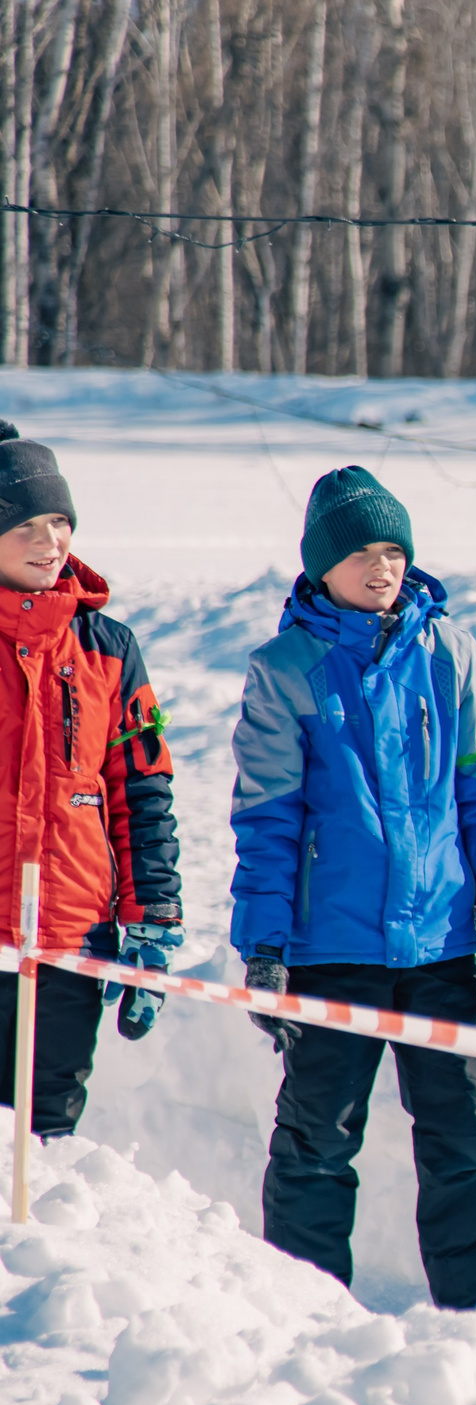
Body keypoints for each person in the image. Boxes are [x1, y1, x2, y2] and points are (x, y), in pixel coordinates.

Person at [230, 466, 476, 1310]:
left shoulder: (453, 654)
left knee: (464, 1142)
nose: (383, 567)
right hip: (330, 952)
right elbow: (266, 819)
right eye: (362, 552)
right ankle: (302, 1314)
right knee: (315, 1144)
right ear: (322, 566)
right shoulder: (286, 668)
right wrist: (263, 947)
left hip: (441, 946)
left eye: (395, 549)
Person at [0, 423, 183, 1136]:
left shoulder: (109, 648)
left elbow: (144, 795)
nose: (52, 542)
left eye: (61, 523)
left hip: (71, 936)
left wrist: (154, 918)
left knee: (45, 1137)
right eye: (27, 527)